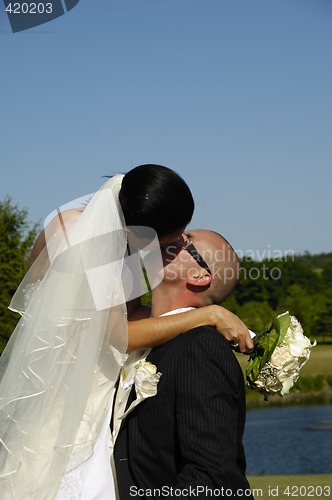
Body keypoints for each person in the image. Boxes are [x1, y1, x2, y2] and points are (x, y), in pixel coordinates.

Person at [0, 165, 253, 499]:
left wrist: (190, 317)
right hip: (69, 387)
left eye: (184, 238)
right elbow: (121, 335)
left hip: (99, 385)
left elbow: (128, 314)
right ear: (147, 227)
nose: (175, 242)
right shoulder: (82, 235)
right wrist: (206, 314)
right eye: (176, 237)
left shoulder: (123, 240)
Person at [113, 229, 254, 499]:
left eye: (185, 239)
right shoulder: (141, 337)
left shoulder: (201, 346)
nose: (169, 236)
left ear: (200, 276)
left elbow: (211, 477)